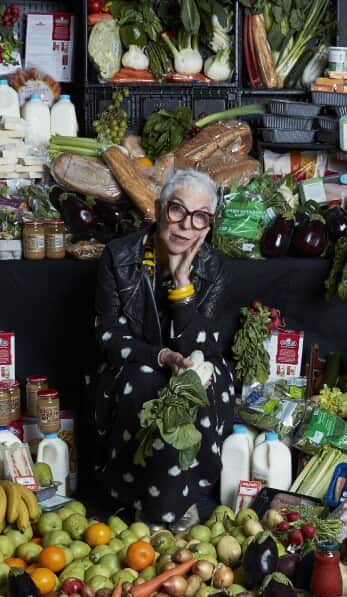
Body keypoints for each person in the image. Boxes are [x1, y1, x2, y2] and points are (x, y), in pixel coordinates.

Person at [90, 169, 237, 528]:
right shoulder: (119, 256)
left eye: (200, 217)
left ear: (208, 225)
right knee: (147, 385)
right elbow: (108, 335)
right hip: (134, 363)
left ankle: (178, 499)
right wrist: (161, 356)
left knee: (191, 388)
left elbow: (201, 347)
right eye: (177, 211)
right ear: (158, 209)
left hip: (195, 360)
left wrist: (183, 286)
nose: (186, 226)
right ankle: (150, 504)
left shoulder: (214, 267)